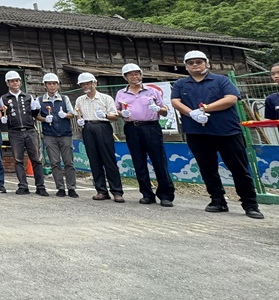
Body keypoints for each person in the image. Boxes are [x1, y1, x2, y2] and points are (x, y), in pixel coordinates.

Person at [171, 50, 263, 219]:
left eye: (199, 62)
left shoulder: (221, 80)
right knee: (207, 168)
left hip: (226, 132)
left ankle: (250, 204)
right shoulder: (181, 84)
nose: (195, 65)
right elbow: (175, 101)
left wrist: (205, 109)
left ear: (207, 63)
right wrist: (191, 113)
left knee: (239, 169)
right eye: (190, 63)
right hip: (197, 132)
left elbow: (231, 99)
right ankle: (217, 200)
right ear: (186, 67)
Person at [116, 63, 175, 207]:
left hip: (151, 127)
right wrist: (122, 113)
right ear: (125, 77)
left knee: (159, 161)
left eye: (137, 74)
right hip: (132, 128)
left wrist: (158, 109)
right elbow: (115, 110)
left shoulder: (152, 91)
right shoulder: (121, 93)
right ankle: (147, 194)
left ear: (141, 75)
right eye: (131, 75)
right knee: (138, 161)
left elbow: (165, 110)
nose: (134, 77)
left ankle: (166, 195)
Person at [74, 72, 124, 202]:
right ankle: (101, 191)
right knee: (94, 160)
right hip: (87, 127)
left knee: (109, 159)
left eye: (87, 83)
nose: (85, 86)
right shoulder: (80, 100)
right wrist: (79, 120)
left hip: (103, 126)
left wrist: (105, 115)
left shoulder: (105, 98)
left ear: (94, 83)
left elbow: (115, 116)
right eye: (82, 84)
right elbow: (78, 114)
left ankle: (117, 191)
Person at [0, 71, 48, 196]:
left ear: (20, 82)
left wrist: (37, 109)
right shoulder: (4, 98)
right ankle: (23, 186)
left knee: (36, 159)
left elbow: (35, 114)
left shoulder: (28, 97)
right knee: (18, 160)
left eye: (17, 80)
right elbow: (2, 114)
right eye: (12, 81)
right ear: (7, 83)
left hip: (30, 130)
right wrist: (4, 119)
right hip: (14, 132)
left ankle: (40, 186)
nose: (15, 83)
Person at [36, 73, 77, 198]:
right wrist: (44, 119)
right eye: (49, 84)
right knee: (55, 162)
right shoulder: (40, 100)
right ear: (45, 85)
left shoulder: (64, 99)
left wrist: (65, 115)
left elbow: (72, 114)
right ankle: (60, 188)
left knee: (69, 162)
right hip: (49, 134)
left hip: (65, 134)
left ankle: (71, 188)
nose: (52, 86)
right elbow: (36, 115)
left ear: (58, 85)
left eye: (54, 83)